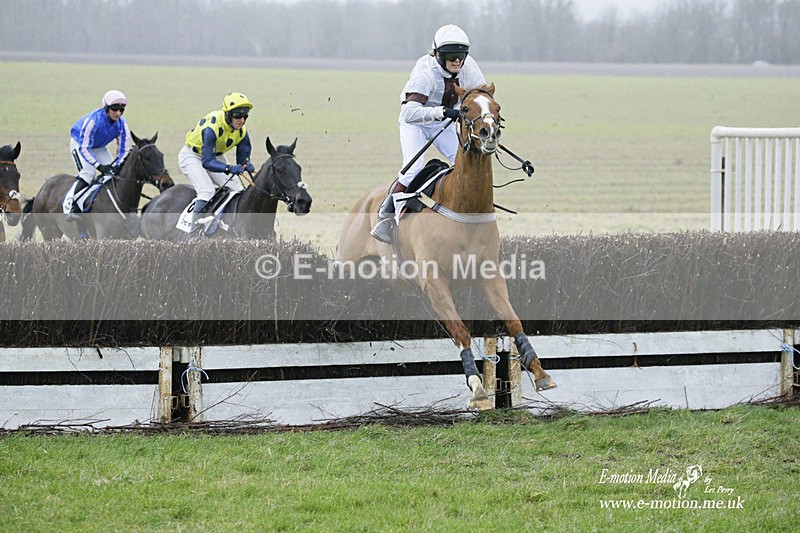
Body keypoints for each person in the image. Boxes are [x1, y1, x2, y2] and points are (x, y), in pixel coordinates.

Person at [371, 24, 486, 243]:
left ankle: (464, 213)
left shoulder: (469, 67)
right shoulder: (425, 73)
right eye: (451, 56)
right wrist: (443, 111)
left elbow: (480, 96)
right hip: (416, 122)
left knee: (466, 162)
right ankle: (385, 217)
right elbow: (409, 113)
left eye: (461, 55)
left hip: (443, 121)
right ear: (437, 54)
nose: (457, 61)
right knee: (413, 167)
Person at [179, 92, 256, 229]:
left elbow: (242, 157)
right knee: (207, 191)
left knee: (237, 189)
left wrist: (246, 164)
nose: (242, 120)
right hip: (192, 156)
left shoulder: (241, 131)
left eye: (245, 116)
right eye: (237, 115)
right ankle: (193, 232)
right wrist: (229, 168)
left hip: (215, 156)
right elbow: (207, 162)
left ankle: (226, 226)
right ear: (227, 114)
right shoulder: (212, 128)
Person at [67, 89, 131, 219]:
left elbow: (124, 149)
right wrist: (99, 166)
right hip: (80, 145)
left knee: (113, 174)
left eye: (121, 110)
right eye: (114, 109)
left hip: (99, 147)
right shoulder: (93, 121)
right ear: (106, 108)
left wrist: (118, 164)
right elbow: (85, 148)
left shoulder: (122, 124)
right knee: (88, 174)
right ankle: (74, 208)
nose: (118, 113)